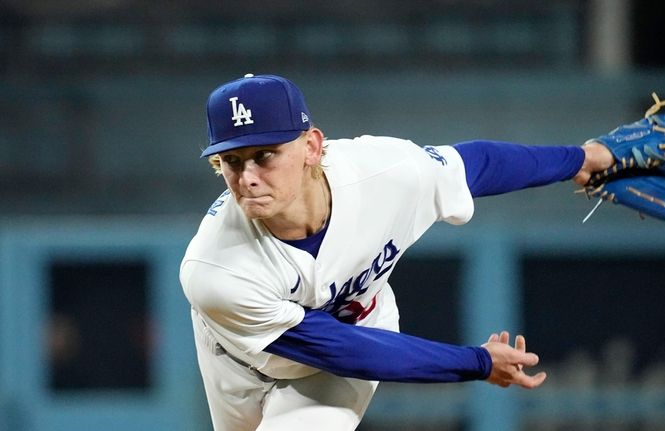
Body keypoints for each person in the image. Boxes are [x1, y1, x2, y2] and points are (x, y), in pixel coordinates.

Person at [180, 74, 614, 430]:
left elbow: (476, 166)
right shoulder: (215, 268)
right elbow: (332, 345)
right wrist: (475, 362)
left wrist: (581, 159)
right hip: (235, 362)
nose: (249, 177)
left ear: (311, 146)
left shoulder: (383, 171)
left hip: (351, 344)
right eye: (232, 161)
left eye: (265, 154)